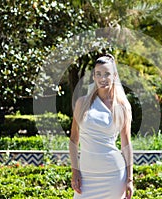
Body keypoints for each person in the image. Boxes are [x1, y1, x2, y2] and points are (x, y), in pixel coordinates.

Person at [69, 54, 134, 199]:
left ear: (114, 76)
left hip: (113, 175)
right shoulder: (82, 103)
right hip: (86, 175)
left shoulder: (122, 107)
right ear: (93, 76)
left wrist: (129, 179)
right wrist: (75, 170)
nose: (102, 78)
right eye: (98, 74)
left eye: (107, 74)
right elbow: (73, 139)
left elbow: (126, 144)